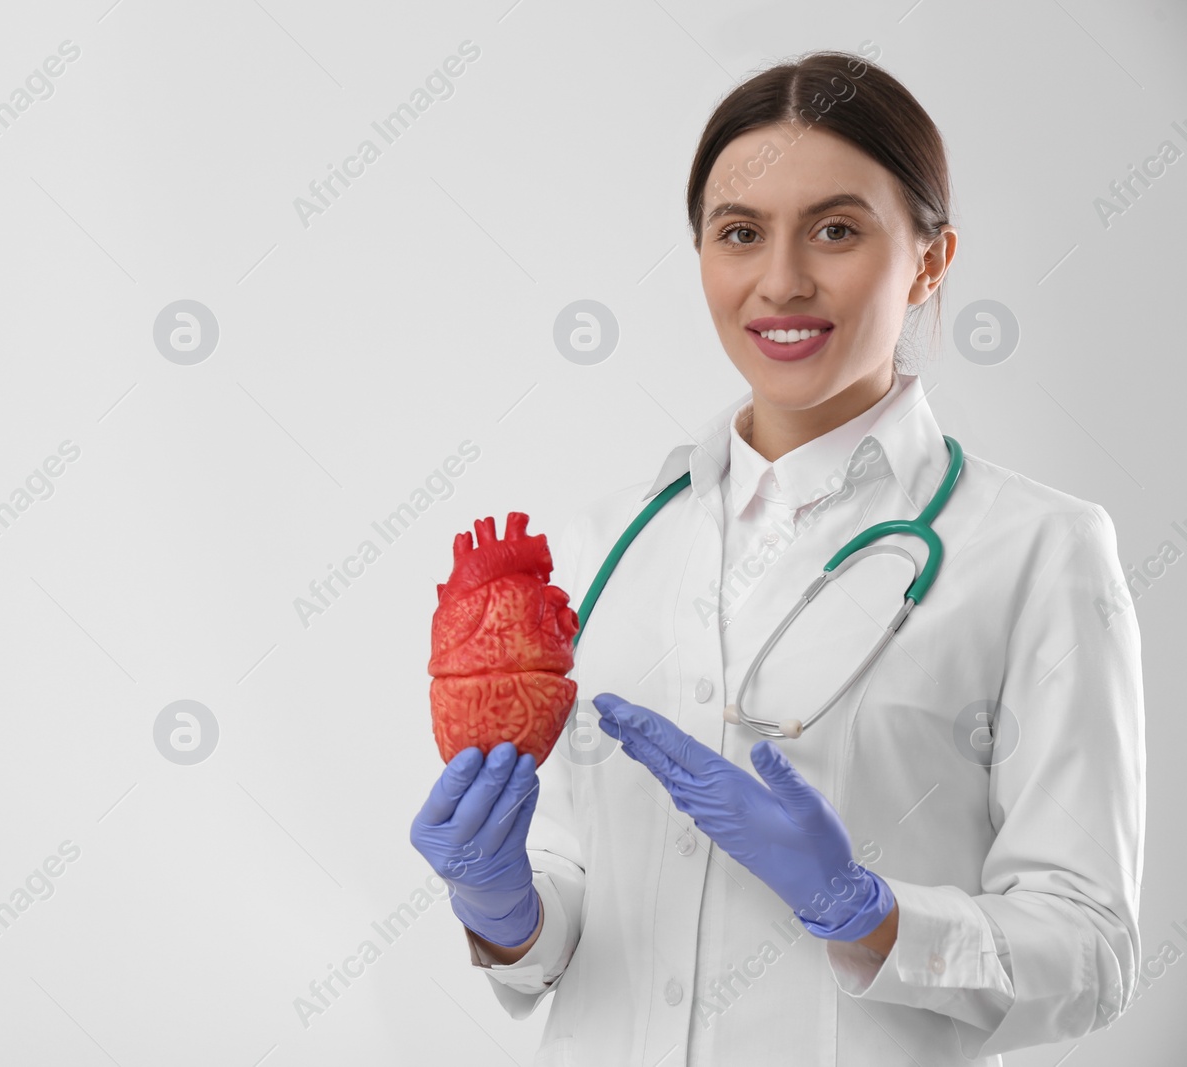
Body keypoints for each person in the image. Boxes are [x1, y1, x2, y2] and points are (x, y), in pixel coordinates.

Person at [410, 51, 1145, 1066]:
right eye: (740, 233)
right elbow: (571, 895)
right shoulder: (600, 546)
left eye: (836, 230)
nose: (781, 280)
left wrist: (864, 911)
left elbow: (1094, 950)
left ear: (930, 260)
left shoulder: (1035, 551)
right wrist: (502, 907)